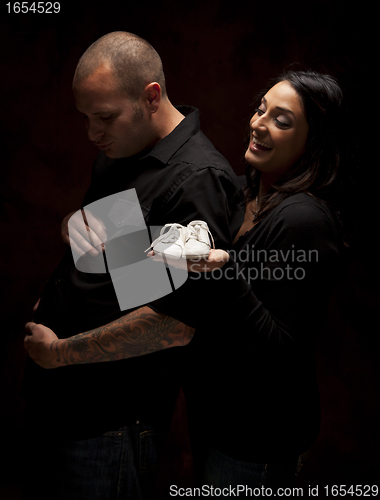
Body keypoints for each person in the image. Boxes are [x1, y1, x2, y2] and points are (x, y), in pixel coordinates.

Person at [25, 70, 351, 492]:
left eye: (282, 120)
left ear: (315, 140)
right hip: (216, 418)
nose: (258, 122)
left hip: (260, 435)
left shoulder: (303, 220)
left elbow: (284, 350)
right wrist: (76, 228)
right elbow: (137, 262)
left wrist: (223, 272)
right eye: (260, 108)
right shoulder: (240, 195)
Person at [22, 31, 244, 500]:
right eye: (84, 118)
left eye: (103, 118)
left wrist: (59, 352)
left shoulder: (198, 179)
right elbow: (119, 266)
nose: (91, 134)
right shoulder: (123, 151)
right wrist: (70, 227)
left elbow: (177, 323)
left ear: (151, 96)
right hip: (61, 402)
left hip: (110, 419)